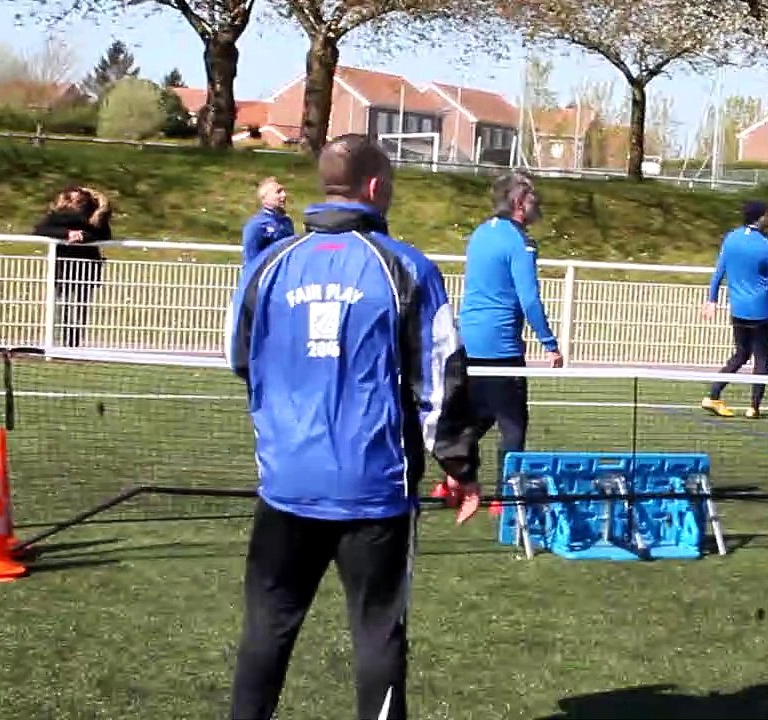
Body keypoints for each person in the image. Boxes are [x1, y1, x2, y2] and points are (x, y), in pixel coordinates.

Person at [224, 134, 481, 720]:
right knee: (378, 635)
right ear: (374, 186)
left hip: (286, 482)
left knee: (266, 629)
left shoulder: (269, 264)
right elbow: (441, 377)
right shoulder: (406, 267)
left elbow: (239, 357)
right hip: (376, 491)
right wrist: (460, 467)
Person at [447, 171, 562, 503]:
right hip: (501, 346)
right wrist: (550, 344)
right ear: (519, 203)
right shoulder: (520, 242)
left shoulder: (480, 233)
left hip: (468, 340)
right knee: (513, 424)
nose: (538, 203)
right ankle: (503, 497)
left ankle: (452, 477)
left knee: (480, 414)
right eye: (533, 197)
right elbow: (530, 299)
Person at [700, 200, 768, 419]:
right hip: (762, 310)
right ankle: (753, 407)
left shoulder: (731, 238)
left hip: (738, 309)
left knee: (741, 353)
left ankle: (713, 395)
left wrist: (712, 299)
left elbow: (719, 271)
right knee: (761, 359)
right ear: (760, 217)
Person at [32, 186, 112, 347]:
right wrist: (68, 234)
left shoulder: (94, 218)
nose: (75, 203)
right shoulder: (57, 216)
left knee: (81, 306)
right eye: (71, 199)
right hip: (63, 267)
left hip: (87, 267)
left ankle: (74, 343)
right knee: (63, 305)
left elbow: (103, 234)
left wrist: (83, 236)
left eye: (80, 200)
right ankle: (61, 341)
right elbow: (40, 229)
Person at [240, 177, 295, 266]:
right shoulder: (257, 225)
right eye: (278, 192)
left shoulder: (286, 222)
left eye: (284, 191)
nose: (284, 195)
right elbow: (251, 259)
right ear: (264, 197)